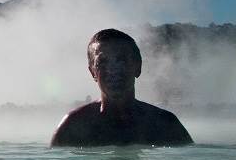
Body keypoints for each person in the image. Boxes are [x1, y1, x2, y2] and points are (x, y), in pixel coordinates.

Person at [50, 28, 193, 147]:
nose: (113, 70)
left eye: (122, 60)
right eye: (103, 62)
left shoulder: (164, 124)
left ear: (138, 67)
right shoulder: (73, 126)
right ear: (93, 72)